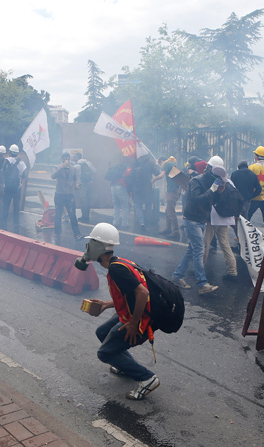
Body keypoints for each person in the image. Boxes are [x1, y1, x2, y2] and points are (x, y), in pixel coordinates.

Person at [81, 223, 160, 400]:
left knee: (104, 353)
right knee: (102, 332)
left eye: (92, 242)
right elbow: (128, 296)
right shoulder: (118, 263)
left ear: (100, 247)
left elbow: (143, 293)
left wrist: (133, 323)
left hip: (141, 317)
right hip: (134, 312)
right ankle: (124, 365)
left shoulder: (116, 269)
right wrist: (104, 304)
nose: (88, 246)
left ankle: (147, 378)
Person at [172, 157, 221, 295]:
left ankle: (177, 276)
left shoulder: (212, 181)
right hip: (191, 220)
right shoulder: (196, 180)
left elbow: (212, 201)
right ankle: (202, 284)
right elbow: (197, 198)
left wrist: (219, 191)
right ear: (210, 169)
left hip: (201, 219)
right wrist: (212, 189)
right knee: (199, 250)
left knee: (192, 250)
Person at [203, 156, 238, 279]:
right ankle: (232, 271)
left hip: (214, 218)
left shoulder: (214, 181)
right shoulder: (229, 181)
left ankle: (200, 269)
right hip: (226, 218)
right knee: (225, 244)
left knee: (205, 243)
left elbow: (208, 197)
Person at [51, 152, 83, 241]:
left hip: (69, 195)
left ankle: (77, 234)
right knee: (58, 214)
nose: (66, 160)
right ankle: (57, 233)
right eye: (64, 159)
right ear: (62, 159)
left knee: (72, 215)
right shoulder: (57, 167)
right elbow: (53, 176)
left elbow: (76, 178)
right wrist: (61, 167)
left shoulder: (73, 168)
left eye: (68, 158)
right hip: (59, 194)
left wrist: (77, 184)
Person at [129, 154, 161, 232]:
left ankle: (141, 222)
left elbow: (131, 175)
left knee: (138, 206)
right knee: (148, 206)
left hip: (137, 188)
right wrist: (156, 165)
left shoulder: (135, 161)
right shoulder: (150, 161)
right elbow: (158, 173)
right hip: (147, 188)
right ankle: (147, 224)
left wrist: (130, 189)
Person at [0, 145, 27, 233]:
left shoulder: (6, 161)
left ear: (10, 152)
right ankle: (16, 224)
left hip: (7, 187)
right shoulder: (21, 163)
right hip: (17, 188)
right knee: (16, 207)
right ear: (17, 153)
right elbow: (24, 175)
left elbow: (2, 174)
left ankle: (3, 224)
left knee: (5, 206)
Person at [155, 156, 181, 238]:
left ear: (161, 161)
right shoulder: (172, 164)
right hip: (174, 190)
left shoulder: (166, 164)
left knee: (171, 211)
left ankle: (176, 231)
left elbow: (161, 175)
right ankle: (168, 228)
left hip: (172, 191)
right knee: (167, 210)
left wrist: (154, 179)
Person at [106, 160, 132, 230]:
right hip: (121, 186)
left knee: (116, 206)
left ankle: (116, 222)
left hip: (113, 187)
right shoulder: (127, 170)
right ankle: (125, 223)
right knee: (124, 206)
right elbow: (130, 176)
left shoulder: (115, 170)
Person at [73, 152, 96, 223]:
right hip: (89, 183)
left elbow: (74, 176)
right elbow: (94, 171)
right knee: (88, 200)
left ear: (77, 157)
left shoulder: (76, 166)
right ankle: (87, 215)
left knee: (83, 201)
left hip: (81, 185)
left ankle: (84, 216)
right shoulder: (88, 163)